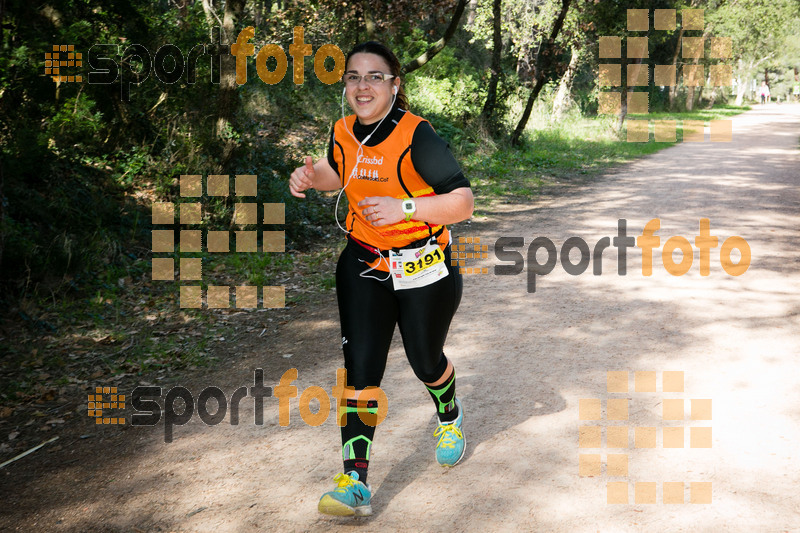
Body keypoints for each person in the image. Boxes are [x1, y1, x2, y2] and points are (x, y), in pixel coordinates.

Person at [289, 41, 474, 517]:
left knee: (424, 359)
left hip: (423, 265)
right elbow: (340, 173)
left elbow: (462, 202)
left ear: (395, 84)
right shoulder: (344, 131)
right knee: (361, 371)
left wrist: (403, 208)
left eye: (375, 76)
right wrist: (312, 177)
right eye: (353, 76)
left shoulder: (418, 136)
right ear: (345, 85)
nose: (362, 85)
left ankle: (449, 417)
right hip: (363, 262)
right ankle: (355, 480)